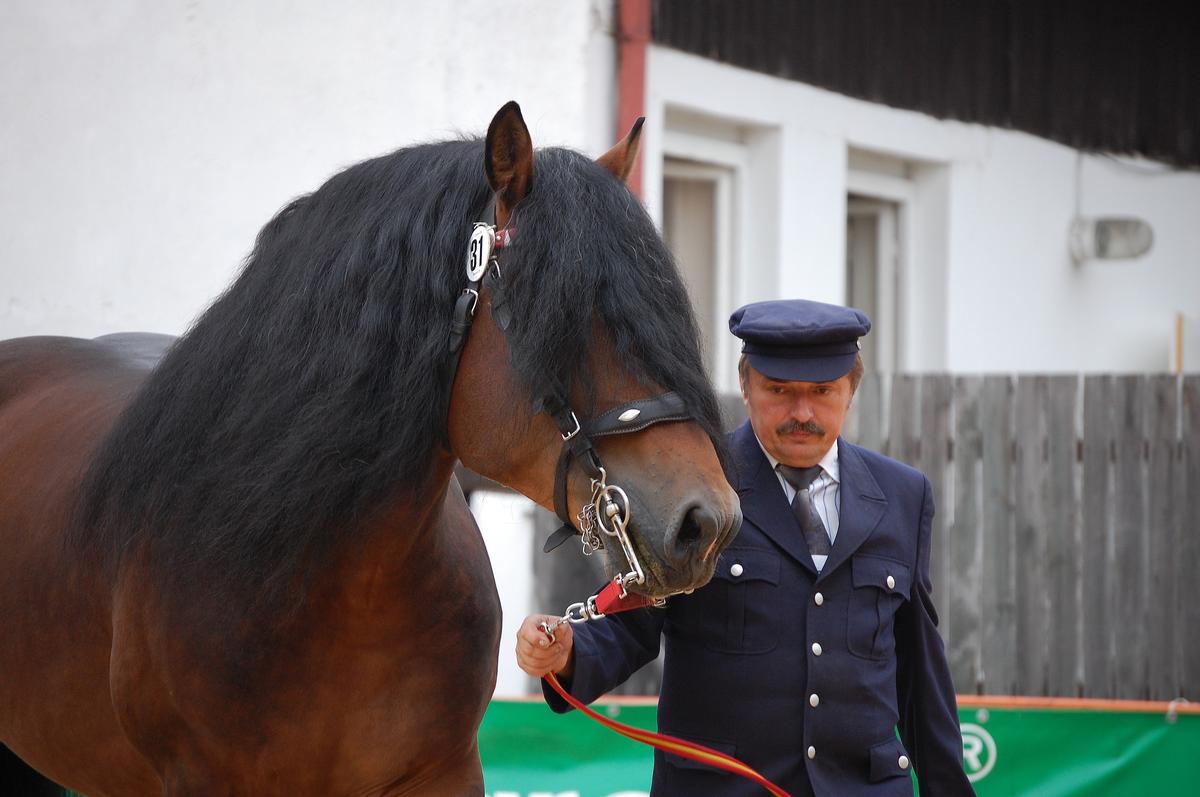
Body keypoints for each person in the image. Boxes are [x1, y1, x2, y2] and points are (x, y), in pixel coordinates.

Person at [516, 298, 975, 796]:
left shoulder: (903, 496)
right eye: (778, 390)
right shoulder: (693, 487)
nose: (802, 412)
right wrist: (566, 654)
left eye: (823, 391)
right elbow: (632, 624)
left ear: (851, 391)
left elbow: (919, 670)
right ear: (745, 386)